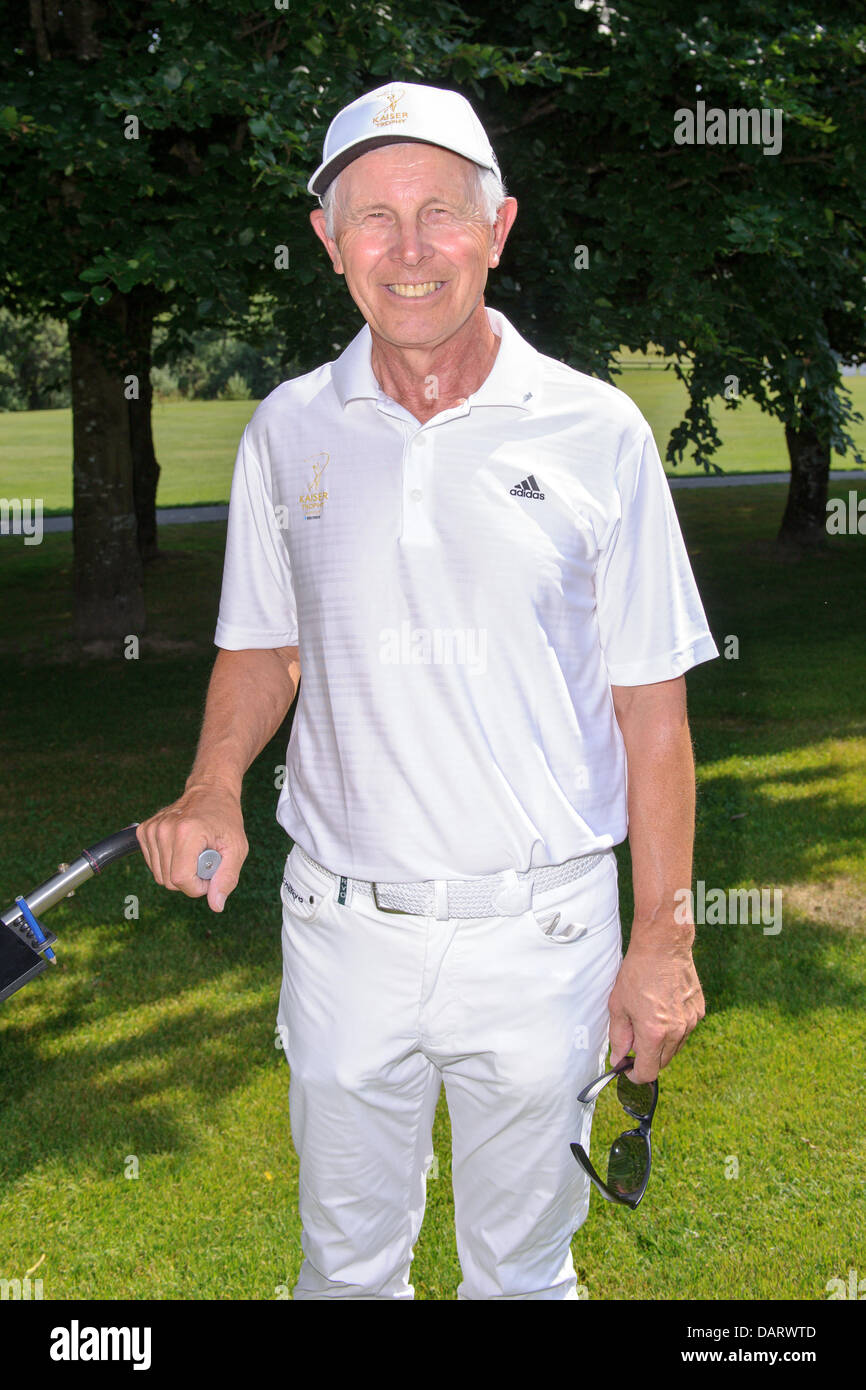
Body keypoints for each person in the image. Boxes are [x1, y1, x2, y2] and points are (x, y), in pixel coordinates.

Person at [137, 80, 719, 1300]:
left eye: (440, 214)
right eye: (374, 218)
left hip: (544, 931)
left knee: (520, 1276)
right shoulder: (286, 431)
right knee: (343, 1273)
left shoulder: (596, 432)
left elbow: (651, 719)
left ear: (496, 230)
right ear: (328, 242)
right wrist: (211, 788)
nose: (408, 252)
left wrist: (660, 936)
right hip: (341, 930)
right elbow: (265, 645)